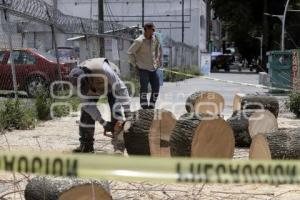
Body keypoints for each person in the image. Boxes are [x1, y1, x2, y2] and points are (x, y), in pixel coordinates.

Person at [69, 58, 131, 153]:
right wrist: (103, 122)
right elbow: (88, 106)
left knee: (116, 113)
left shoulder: (104, 70)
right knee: (86, 114)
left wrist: (127, 113)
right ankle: (86, 146)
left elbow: (121, 89)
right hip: (96, 87)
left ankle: (119, 147)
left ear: (87, 77)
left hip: (111, 84)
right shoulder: (76, 82)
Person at [128, 22, 162, 109]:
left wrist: (158, 59)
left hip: (153, 68)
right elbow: (130, 52)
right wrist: (135, 64)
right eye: (152, 30)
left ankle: (151, 105)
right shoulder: (139, 41)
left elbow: (158, 48)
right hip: (143, 69)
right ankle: (144, 107)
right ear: (146, 29)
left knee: (156, 87)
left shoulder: (155, 39)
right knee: (144, 89)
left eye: (154, 30)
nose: (153, 32)